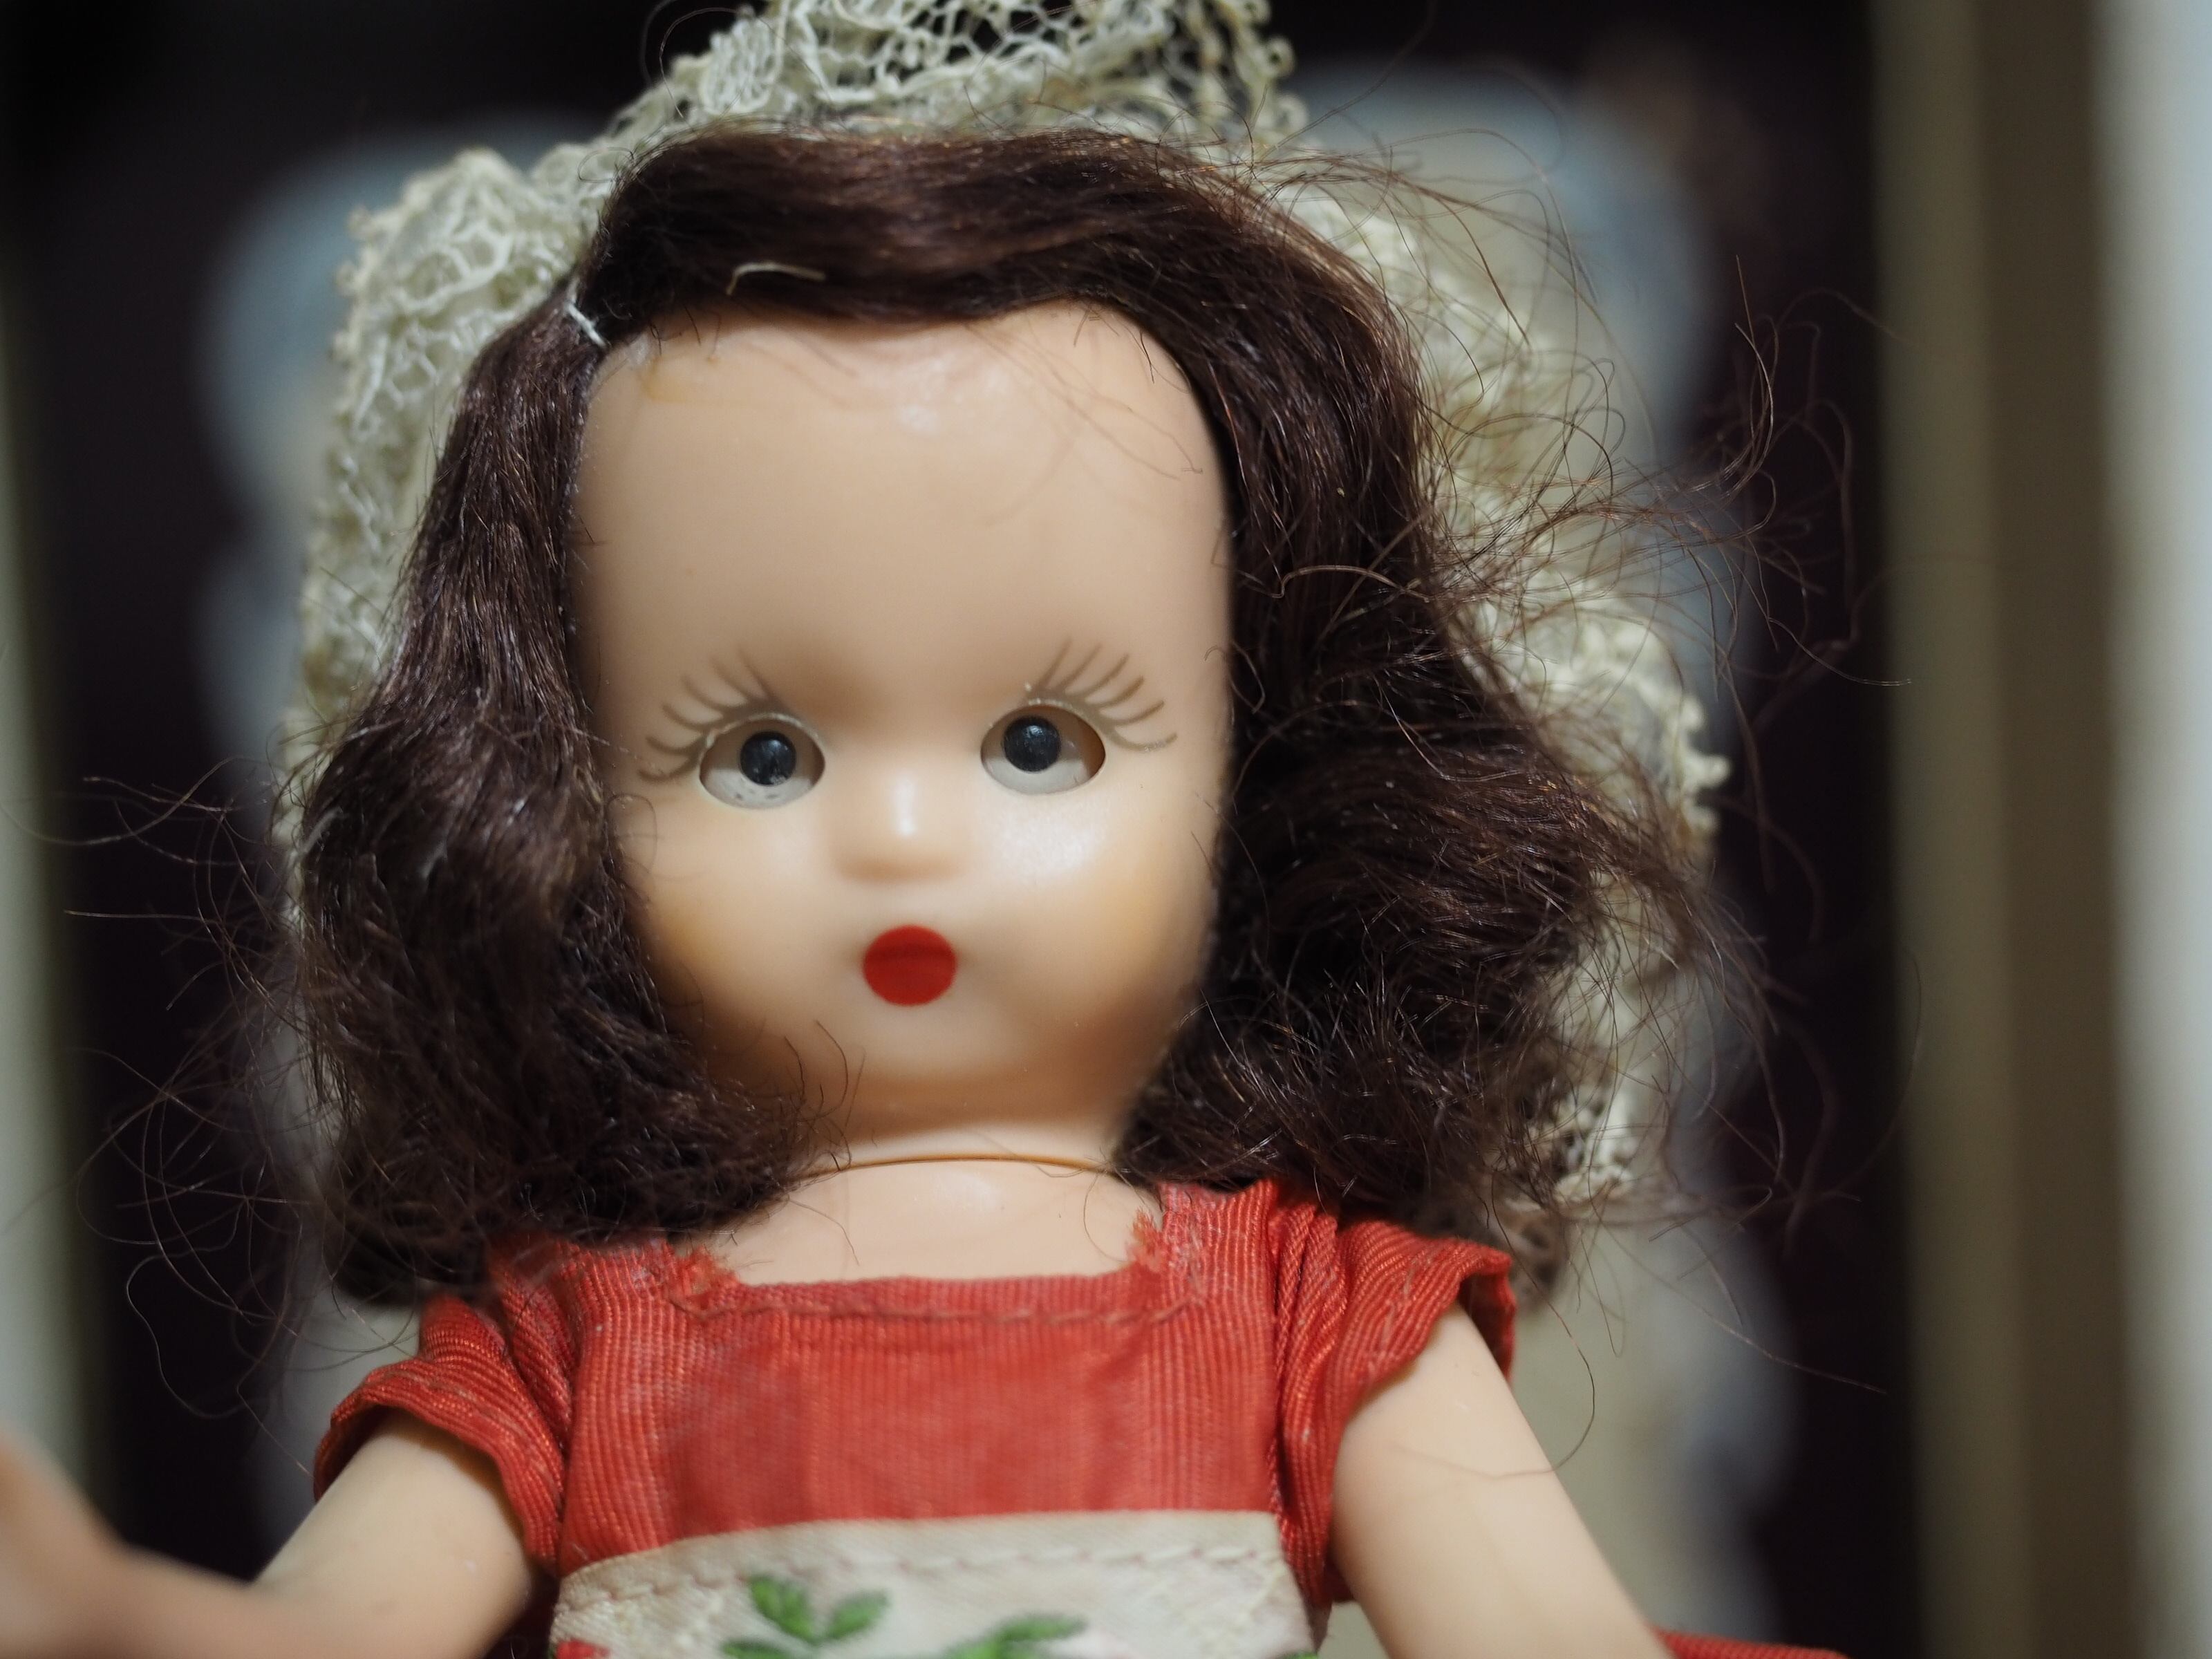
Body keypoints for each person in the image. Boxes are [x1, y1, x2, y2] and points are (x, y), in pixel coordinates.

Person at [0, 8, 1831, 1657]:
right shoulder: (578, 1346)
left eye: (1039, 744)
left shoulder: (1311, 1314)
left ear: (1261, 790)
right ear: (563, 813)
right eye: (762, 756)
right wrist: (110, 1616)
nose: (896, 840)